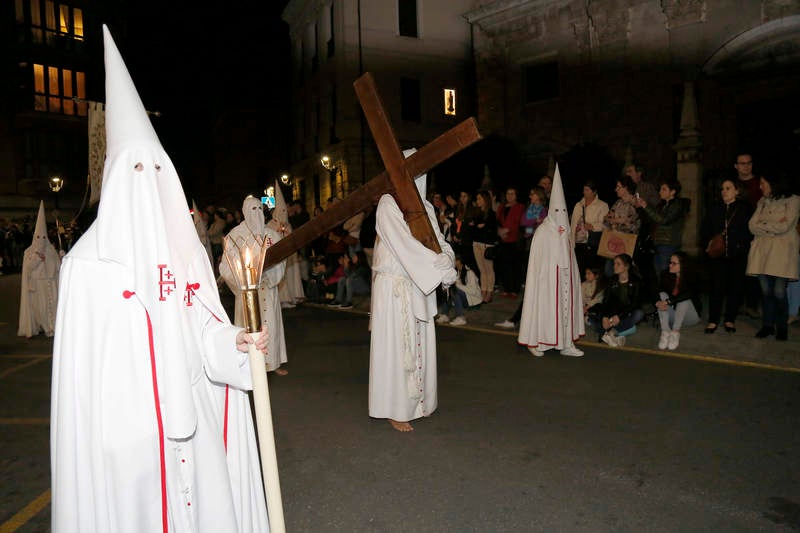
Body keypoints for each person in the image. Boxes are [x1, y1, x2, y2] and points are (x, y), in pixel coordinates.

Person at [50, 27, 270, 532]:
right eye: (136, 171)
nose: (148, 183)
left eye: (158, 170)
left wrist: (234, 340)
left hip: (194, 425)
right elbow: (84, 384)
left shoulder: (187, 252)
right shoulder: (88, 266)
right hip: (128, 447)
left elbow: (202, 329)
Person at [369, 148, 456, 433]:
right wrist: (436, 267)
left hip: (419, 284)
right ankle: (395, 408)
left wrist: (446, 258)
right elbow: (403, 245)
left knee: (420, 345)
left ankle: (421, 402)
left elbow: (437, 240)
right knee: (397, 348)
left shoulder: (427, 207)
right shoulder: (388, 204)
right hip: (395, 288)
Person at [517, 165, 585, 357]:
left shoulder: (566, 229)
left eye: (563, 209)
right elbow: (537, 262)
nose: (560, 213)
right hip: (547, 281)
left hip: (564, 279)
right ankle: (538, 342)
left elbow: (570, 254)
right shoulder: (543, 231)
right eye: (557, 209)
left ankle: (566, 343)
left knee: (565, 310)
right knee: (546, 310)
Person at [221, 196, 290, 375]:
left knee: (271, 326)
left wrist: (270, 274)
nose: (257, 213)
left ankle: (272, 362)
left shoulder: (272, 235)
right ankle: (249, 366)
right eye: (253, 209)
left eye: (260, 208)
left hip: (268, 287)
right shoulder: (234, 236)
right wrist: (244, 282)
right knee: (249, 329)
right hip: (248, 292)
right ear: (245, 211)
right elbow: (226, 267)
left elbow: (281, 260)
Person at [746, 172, 800, 341]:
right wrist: (773, 225)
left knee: (778, 292)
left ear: (774, 183)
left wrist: (764, 225)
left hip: (782, 254)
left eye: (763, 183)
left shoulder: (793, 200)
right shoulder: (762, 202)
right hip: (762, 253)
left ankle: (781, 327)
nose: (760, 186)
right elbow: (751, 225)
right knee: (766, 291)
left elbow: (786, 225)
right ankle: (767, 326)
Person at [702, 179, 753, 334]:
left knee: (735, 288)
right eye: (723, 188)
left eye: (728, 188)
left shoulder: (745, 209)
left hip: (737, 255)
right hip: (718, 255)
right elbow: (705, 229)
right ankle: (713, 320)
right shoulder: (714, 208)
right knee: (716, 287)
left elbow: (749, 232)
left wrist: (740, 245)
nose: (724, 191)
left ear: (737, 191)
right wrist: (708, 243)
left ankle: (729, 319)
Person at [18, 201, 60, 338]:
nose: (41, 240)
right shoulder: (29, 252)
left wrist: (62, 257)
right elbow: (27, 269)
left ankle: (53, 326)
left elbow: (58, 267)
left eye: (43, 237)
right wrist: (37, 259)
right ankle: (44, 326)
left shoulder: (51, 250)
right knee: (40, 308)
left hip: (50, 282)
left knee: (53, 305)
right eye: (38, 237)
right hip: (37, 284)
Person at [634, 178, 690, 277]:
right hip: (658, 244)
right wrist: (642, 207)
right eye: (660, 189)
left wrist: (646, 206)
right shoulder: (663, 205)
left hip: (668, 244)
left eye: (664, 189)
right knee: (658, 273)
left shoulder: (677, 206)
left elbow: (663, 220)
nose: (660, 192)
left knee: (666, 273)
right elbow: (653, 219)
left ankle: (666, 291)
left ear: (673, 192)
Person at [587, 253, 644, 347]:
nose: (614, 266)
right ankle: (616, 333)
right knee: (602, 318)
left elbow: (635, 304)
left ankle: (611, 332)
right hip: (612, 313)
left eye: (618, 264)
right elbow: (606, 301)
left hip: (626, 313)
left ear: (626, 267)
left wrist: (619, 316)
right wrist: (605, 317)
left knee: (639, 314)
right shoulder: (612, 280)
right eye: (614, 263)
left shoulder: (636, 281)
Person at [735, 153, 764, 317]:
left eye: (749, 163)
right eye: (742, 163)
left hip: (755, 233)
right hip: (737, 233)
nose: (746, 166)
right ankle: (738, 303)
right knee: (738, 270)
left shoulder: (759, 183)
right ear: (736, 166)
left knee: (753, 270)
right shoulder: (732, 184)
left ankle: (752, 305)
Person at [654, 252, 700, 350]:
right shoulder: (665, 274)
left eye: (674, 263)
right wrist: (658, 302)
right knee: (661, 295)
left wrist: (668, 301)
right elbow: (656, 290)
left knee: (684, 299)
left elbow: (688, 294)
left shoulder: (692, 276)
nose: (670, 265)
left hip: (690, 317)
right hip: (673, 314)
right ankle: (665, 331)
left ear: (682, 265)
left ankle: (675, 332)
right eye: (670, 262)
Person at [271, 181, 305, 307]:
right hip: (279, 255)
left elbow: (292, 236)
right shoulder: (271, 224)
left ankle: (293, 296)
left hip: (289, 254)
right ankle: (283, 299)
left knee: (291, 275)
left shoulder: (288, 224)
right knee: (282, 276)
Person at [570, 179, 609, 276]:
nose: (584, 192)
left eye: (587, 190)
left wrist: (592, 226)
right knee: (578, 271)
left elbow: (606, 225)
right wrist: (571, 242)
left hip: (592, 244)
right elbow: (573, 224)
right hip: (578, 244)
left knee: (591, 272)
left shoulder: (602, 205)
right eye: (584, 190)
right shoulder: (578, 205)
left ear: (594, 191)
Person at [436, 254, 482, 326]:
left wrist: (457, 285)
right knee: (448, 289)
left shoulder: (470, 272)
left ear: (459, 261)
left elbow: (474, 291)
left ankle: (460, 317)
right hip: (465, 298)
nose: (451, 262)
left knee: (454, 290)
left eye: (453, 260)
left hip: (473, 300)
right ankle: (445, 314)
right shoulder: (457, 272)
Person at [495, 186, 525, 296]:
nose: (510, 195)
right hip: (503, 240)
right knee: (505, 265)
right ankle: (507, 288)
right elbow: (497, 220)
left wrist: (506, 230)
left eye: (512, 193)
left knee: (515, 265)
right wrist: (499, 230)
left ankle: (515, 290)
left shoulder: (520, 206)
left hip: (514, 239)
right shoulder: (501, 207)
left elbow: (518, 221)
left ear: (516, 195)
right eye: (508, 193)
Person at [470, 190, 498, 304]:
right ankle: (483, 291)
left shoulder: (491, 213)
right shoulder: (477, 212)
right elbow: (473, 227)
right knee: (482, 270)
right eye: (477, 199)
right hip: (476, 243)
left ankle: (489, 292)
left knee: (489, 269)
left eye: (479, 199)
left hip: (486, 245)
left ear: (485, 200)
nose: (477, 201)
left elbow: (492, 231)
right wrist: (478, 226)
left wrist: (481, 226)